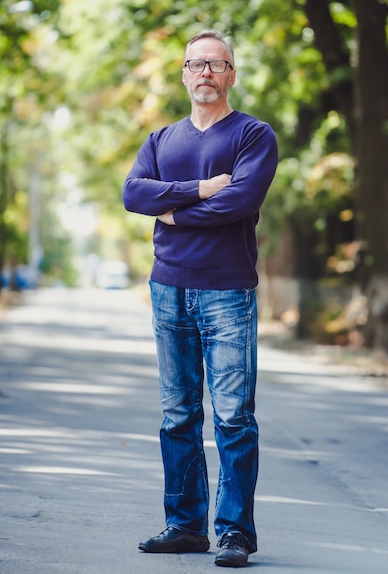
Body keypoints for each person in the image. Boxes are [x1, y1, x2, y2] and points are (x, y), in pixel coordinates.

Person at [122, 28, 278, 568]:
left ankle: (234, 532)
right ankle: (184, 526)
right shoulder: (162, 140)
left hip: (228, 291)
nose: (206, 72)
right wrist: (198, 189)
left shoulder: (254, 135)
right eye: (196, 64)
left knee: (233, 416)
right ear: (184, 74)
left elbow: (239, 202)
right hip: (168, 289)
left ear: (231, 74)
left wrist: (170, 211)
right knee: (178, 415)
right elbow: (131, 193)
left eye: (216, 64)